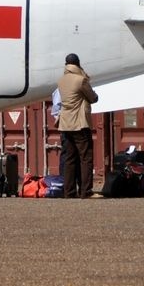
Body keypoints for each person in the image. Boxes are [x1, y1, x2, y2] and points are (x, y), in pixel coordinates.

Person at [56, 53, 98, 199]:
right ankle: (86, 191)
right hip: (79, 124)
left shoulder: (61, 80)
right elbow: (93, 98)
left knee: (69, 159)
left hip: (65, 124)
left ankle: (69, 192)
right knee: (85, 158)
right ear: (78, 63)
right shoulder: (81, 80)